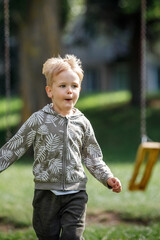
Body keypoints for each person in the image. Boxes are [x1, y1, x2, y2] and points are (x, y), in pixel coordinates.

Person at [0, 54, 122, 240]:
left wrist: (108, 177)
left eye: (74, 86)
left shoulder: (83, 122)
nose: (69, 91)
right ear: (50, 91)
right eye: (63, 86)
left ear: (80, 89)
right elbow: (14, 147)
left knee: (72, 237)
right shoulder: (38, 119)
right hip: (46, 194)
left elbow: (93, 157)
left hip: (76, 192)